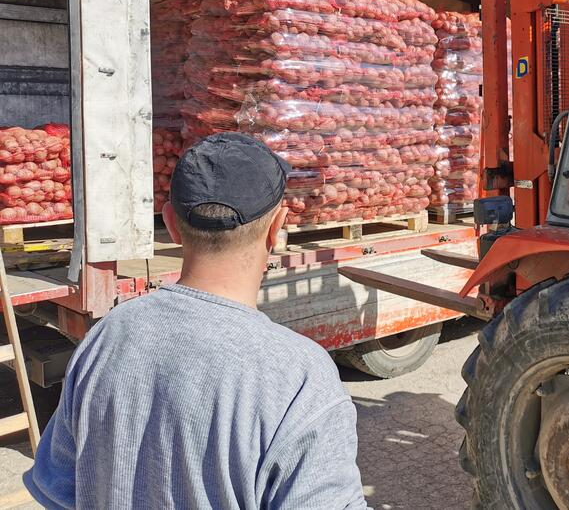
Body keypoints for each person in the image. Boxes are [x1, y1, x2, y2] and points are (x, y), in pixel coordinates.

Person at [24, 133, 369, 509]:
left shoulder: (107, 336)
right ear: (277, 227)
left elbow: (58, 489)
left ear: (171, 224)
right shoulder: (299, 377)